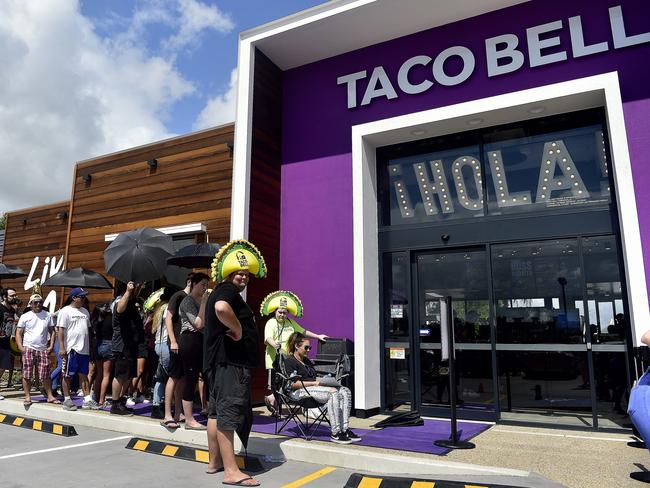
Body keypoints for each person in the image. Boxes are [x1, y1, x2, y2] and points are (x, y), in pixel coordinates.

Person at [204, 239, 266, 486]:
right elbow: (221, 309)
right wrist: (239, 328)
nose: (243, 277)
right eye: (238, 273)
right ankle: (231, 471)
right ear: (228, 273)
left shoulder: (218, 290)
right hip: (230, 364)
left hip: (218, 363)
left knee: (216, 414)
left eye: (246, 273)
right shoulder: (226, 292)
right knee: (228, 414)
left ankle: (215, 462)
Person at [284, 332, 360, 444]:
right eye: (306, 347)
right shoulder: (289, 361)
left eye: (309, 347)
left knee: (345, 391)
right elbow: (293, 384)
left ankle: (344, 430)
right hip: (299, 392)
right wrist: (316, 383)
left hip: (312, 388)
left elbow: (314, 377)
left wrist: (324, 380)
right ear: (296, 346)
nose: (309, 350)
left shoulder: (307, 362)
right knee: (332, 393)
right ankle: (335, 433)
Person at [260, 290, 328, 414]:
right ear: (275, 311)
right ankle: (274, 402)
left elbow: (303, 332)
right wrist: (274, 344)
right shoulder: (271, 323)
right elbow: (268, 337)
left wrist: (317, 336)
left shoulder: (290, 323)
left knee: (286, 382)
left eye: (284, 313)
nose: (282, 315)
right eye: (280, 312)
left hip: (288, 360)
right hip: (275, 359)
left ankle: (271, 399)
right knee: (277, 383)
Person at [57, 288, 99, 411]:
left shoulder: (85, 311)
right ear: (74, 297)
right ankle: (67, 399)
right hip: (71, 349)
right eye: (81, 297)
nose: (83, 299)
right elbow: (61, 330)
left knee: (83, 374)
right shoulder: (65, 311)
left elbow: (88, 331)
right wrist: (61, 347)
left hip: (84, 349)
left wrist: (90, 347)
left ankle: (87, 400)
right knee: (67, 375)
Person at [177, 272, 210, 430]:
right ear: (193, 284)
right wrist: (203, 303)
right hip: (190, 339)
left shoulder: (205, 300)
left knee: (208, 376)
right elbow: (197, 324)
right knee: (190, 379)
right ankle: (189, 419)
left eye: (207, 285)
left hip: (203, 341)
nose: (205, 288)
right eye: (202, 284)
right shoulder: (187, 301)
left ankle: (209, 411)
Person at [160, 273, 193, 429]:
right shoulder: (178, 296)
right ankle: (167, 414)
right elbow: (168, 318)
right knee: (173, 377)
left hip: (187, 344)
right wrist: (173, 340)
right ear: (190, 282)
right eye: (202, 284)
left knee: (183, 378)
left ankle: (178, 412)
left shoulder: (194, 299)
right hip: (176, 343)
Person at [15, 294, 59, 406]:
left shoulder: (47, 315)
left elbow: (52, 331)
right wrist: (20, 347)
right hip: (28, 347)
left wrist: (51, 345)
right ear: (31, 304)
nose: (38, 304)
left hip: (42, 348)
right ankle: (27, 397)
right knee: (27, 374)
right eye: (35, 302)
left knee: (45, 374)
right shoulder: (25, 316)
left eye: (40, 302)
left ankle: (50, 396)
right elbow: (19, 333)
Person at [110, 281, 144, 415]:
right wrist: (128, 292)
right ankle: (115, 403)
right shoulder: (120, 301)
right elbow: (119, 309)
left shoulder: (133, 302)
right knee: (120, 375)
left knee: (129, 375)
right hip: (122, 344)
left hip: (132, 344)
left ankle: (121, 401)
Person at [90, 302, 114, 407]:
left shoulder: (95, 320)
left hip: (97, 344)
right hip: (108, 343)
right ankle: (101, 400)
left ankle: (95, 396)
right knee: (106, 375)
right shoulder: (110, 318)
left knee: (99, 374)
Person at [0, 287, 19, 399]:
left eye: (15, 295)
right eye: (12, 295)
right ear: (5, 297)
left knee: (3, 366)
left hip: (6, 341)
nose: (15, 297)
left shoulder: (12, 310)